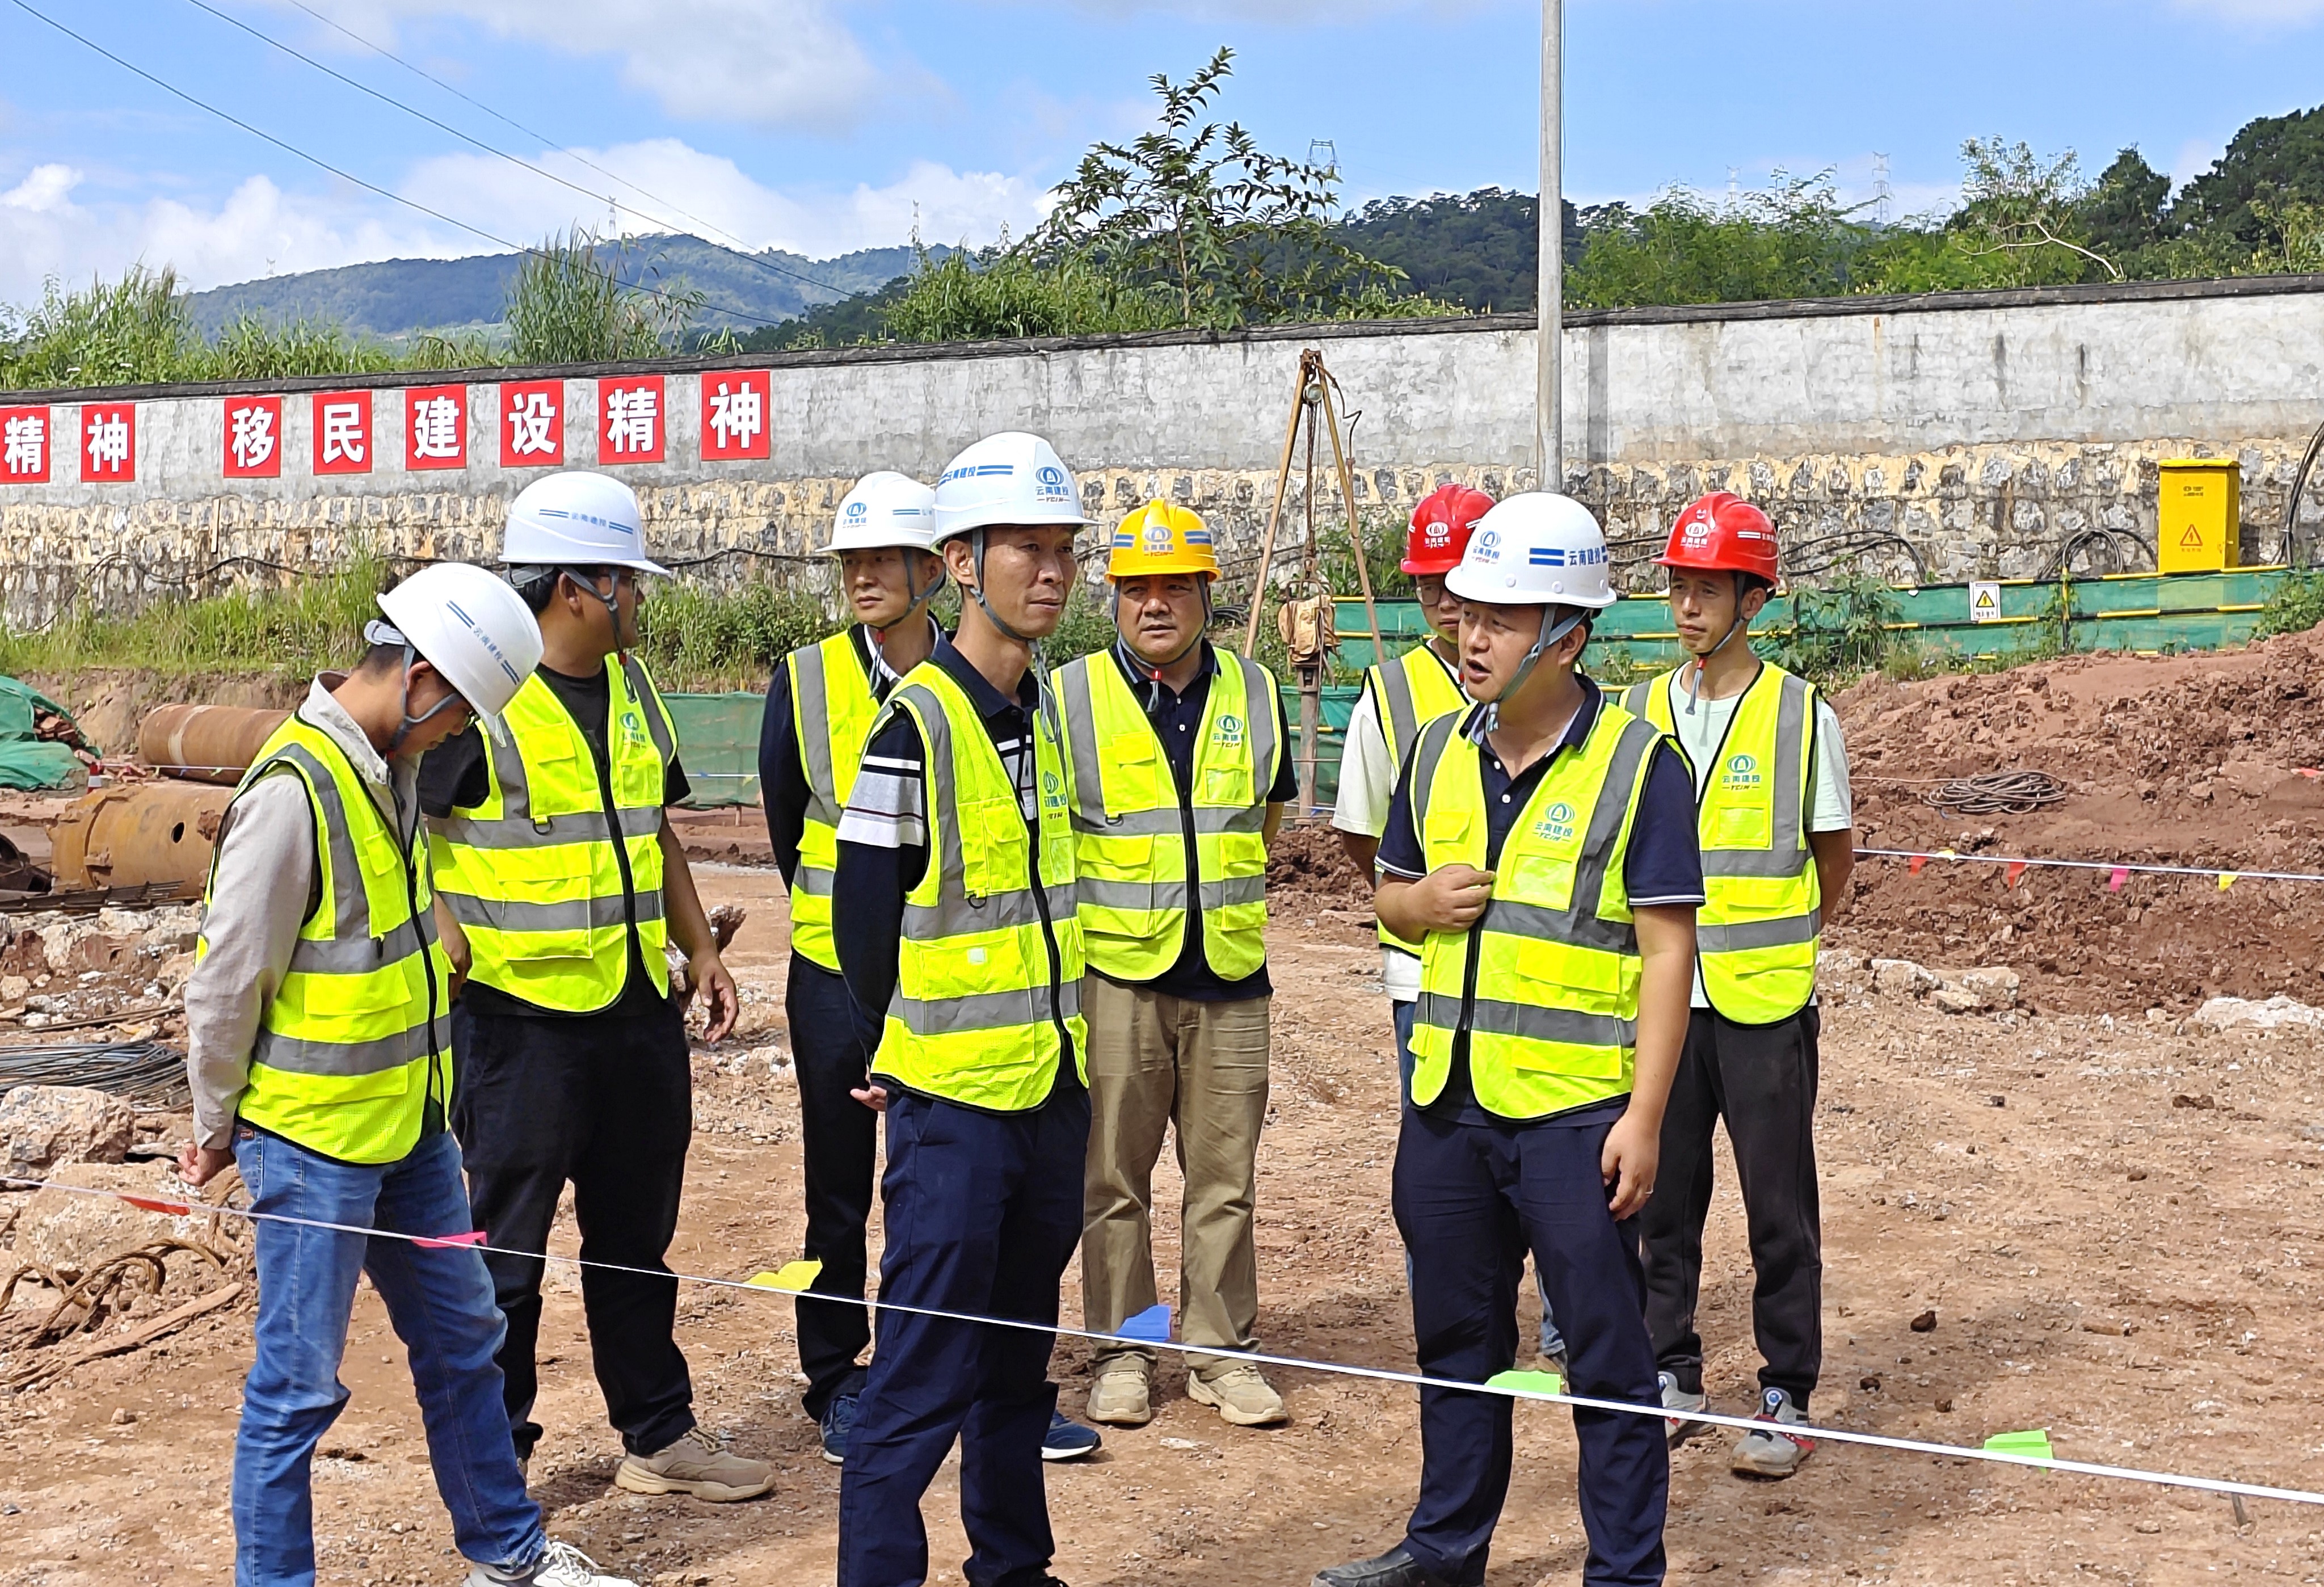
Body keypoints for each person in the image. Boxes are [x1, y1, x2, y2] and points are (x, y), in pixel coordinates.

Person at [180, 563, 631, 1587]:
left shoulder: (391, 773)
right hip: (314, 1144)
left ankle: (508, 1556)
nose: (458, 734)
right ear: (419, 676)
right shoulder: (292, 793)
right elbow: (227, 982)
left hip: (413, 1136)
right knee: (296, 1390)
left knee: (466, 1341)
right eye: (460, 714)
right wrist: (214, 1126)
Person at [1315, 493, 1702, 1587]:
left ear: (1566, 637)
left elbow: (1668, 951)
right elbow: (1389, 897)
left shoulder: (1639, 767)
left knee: (1607, 1356)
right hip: (1447, 1107)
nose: (1468, 636)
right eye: (1465, 613)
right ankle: (1447, 1550)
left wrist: (1646, 1117)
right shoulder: (1435, 749)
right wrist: (1417, 903)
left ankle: (1623, 1569)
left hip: (1575, 1119)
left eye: (1498, 618)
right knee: (1454, 1343)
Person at [422, 471, 769, 1502]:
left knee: (635, 1244)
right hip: (515, 1028)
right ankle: (499, 1466)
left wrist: (701, 947)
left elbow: (655, 834)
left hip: (632, 1013)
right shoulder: (482, 701)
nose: (641, 598)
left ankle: (657, 1434)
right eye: (630, 580)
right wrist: (439, 927)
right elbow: (399, 826)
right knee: (505, 1259)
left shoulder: (635, 690)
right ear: (576, 588)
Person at [831, 430, 1100, 1587]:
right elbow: (860, 918)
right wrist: (892, 1048)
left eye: (1062, 550)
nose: (1051, 572)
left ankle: (1012, 1568)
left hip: (1048, 1093)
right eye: (1024, 550)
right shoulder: (916, 723)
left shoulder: (1042, 712)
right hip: (951, 1109)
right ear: (960, 562)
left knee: (1014, 1364)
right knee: (920, 1371)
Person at [1621, 492, 1853, 1480]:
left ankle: (1786, 1392)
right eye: (1679, 586)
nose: (1687, 606)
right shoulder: (1636, 712)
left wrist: (1780, 944)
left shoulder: (1803, 715)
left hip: (1764, 1003)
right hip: (1666, 1006)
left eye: (1708, 589)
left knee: (1778, 1209)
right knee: (1662, 1202)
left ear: (1752, 599)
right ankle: (1669, 1371)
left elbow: (1833, 859)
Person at [1054, 500, 1296, 1431]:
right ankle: (1123, 1349)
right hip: (1117, 979)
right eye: (1136, 588)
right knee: (1113, 1179)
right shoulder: (1069, 698)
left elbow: (1264, 820)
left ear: (1205, 594)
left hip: (1230, 979)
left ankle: (1220, 1351)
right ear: (1113, 599)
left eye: (1173, 586)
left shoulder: (1258, 692)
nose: (1154, 603)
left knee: (1224, 1180)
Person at [1331, 483, 1565, 1371]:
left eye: (1457, 581)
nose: (1443, 601)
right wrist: (1417, 900)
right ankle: (1461, 1326)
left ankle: (1563, 1323)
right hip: (1427, 974)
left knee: (1553, 1150)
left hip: (1542, 974)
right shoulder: (1392, 694)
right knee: (1446, 1168)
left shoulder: (1560, 689)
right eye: (1429, 581)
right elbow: (1365, 837)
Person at [757, 470, 948, 1464]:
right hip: (831, 977)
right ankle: (835, 1374)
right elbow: (787, 825)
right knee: (836, 1184)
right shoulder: (805, 678)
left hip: (943, 972)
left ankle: (937, 1362)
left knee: (944, 1177)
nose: (864, 577)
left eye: (884, 560)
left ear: (933, 570)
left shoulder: (973, 674)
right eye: (853, 562)